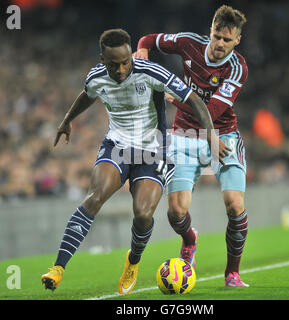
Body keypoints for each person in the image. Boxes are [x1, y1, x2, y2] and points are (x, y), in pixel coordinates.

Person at [41, 28, 230, 295]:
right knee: (94, 197)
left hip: (152, 152)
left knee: (142, 214)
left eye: (125, 62)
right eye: (114, 64)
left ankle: (133, 260)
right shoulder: (96, 77)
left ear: (131, 55)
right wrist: (66, 120)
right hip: (117, 147)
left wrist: (211, 136)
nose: (121, 70)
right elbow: (87, 94)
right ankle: (58, 268)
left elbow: (193, 99)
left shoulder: (150, 72)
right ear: (102, 60)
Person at [134, 5, 250, 287]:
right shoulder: (189, 42)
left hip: (223, 136)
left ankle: (232, 273)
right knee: (176, 211)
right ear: (210, 31)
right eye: (216, 36)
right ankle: (189, 239)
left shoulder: (237, 68)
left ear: (237, 40)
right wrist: (142, 50)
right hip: (184, 136)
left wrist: (177, 99)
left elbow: (212, 108)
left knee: (235, 205)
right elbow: (150, 39)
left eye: (227, 39)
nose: (219, 44)